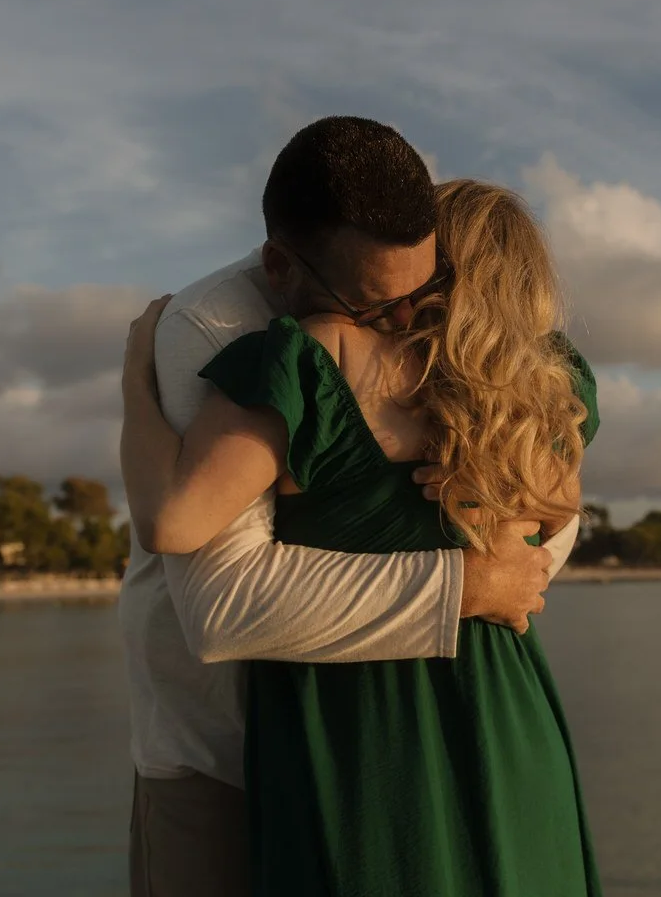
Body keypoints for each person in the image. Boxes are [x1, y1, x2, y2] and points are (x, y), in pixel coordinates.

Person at [117, 116, 583, 897]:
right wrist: (471, 580)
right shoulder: (217, 328)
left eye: (425, 294)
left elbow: (553, 530)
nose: (401, 326)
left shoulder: (468, 371)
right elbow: (220, 604)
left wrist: (506, 535)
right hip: (226, 752)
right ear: (282, 267)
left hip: (430, 732)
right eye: (375, 307)